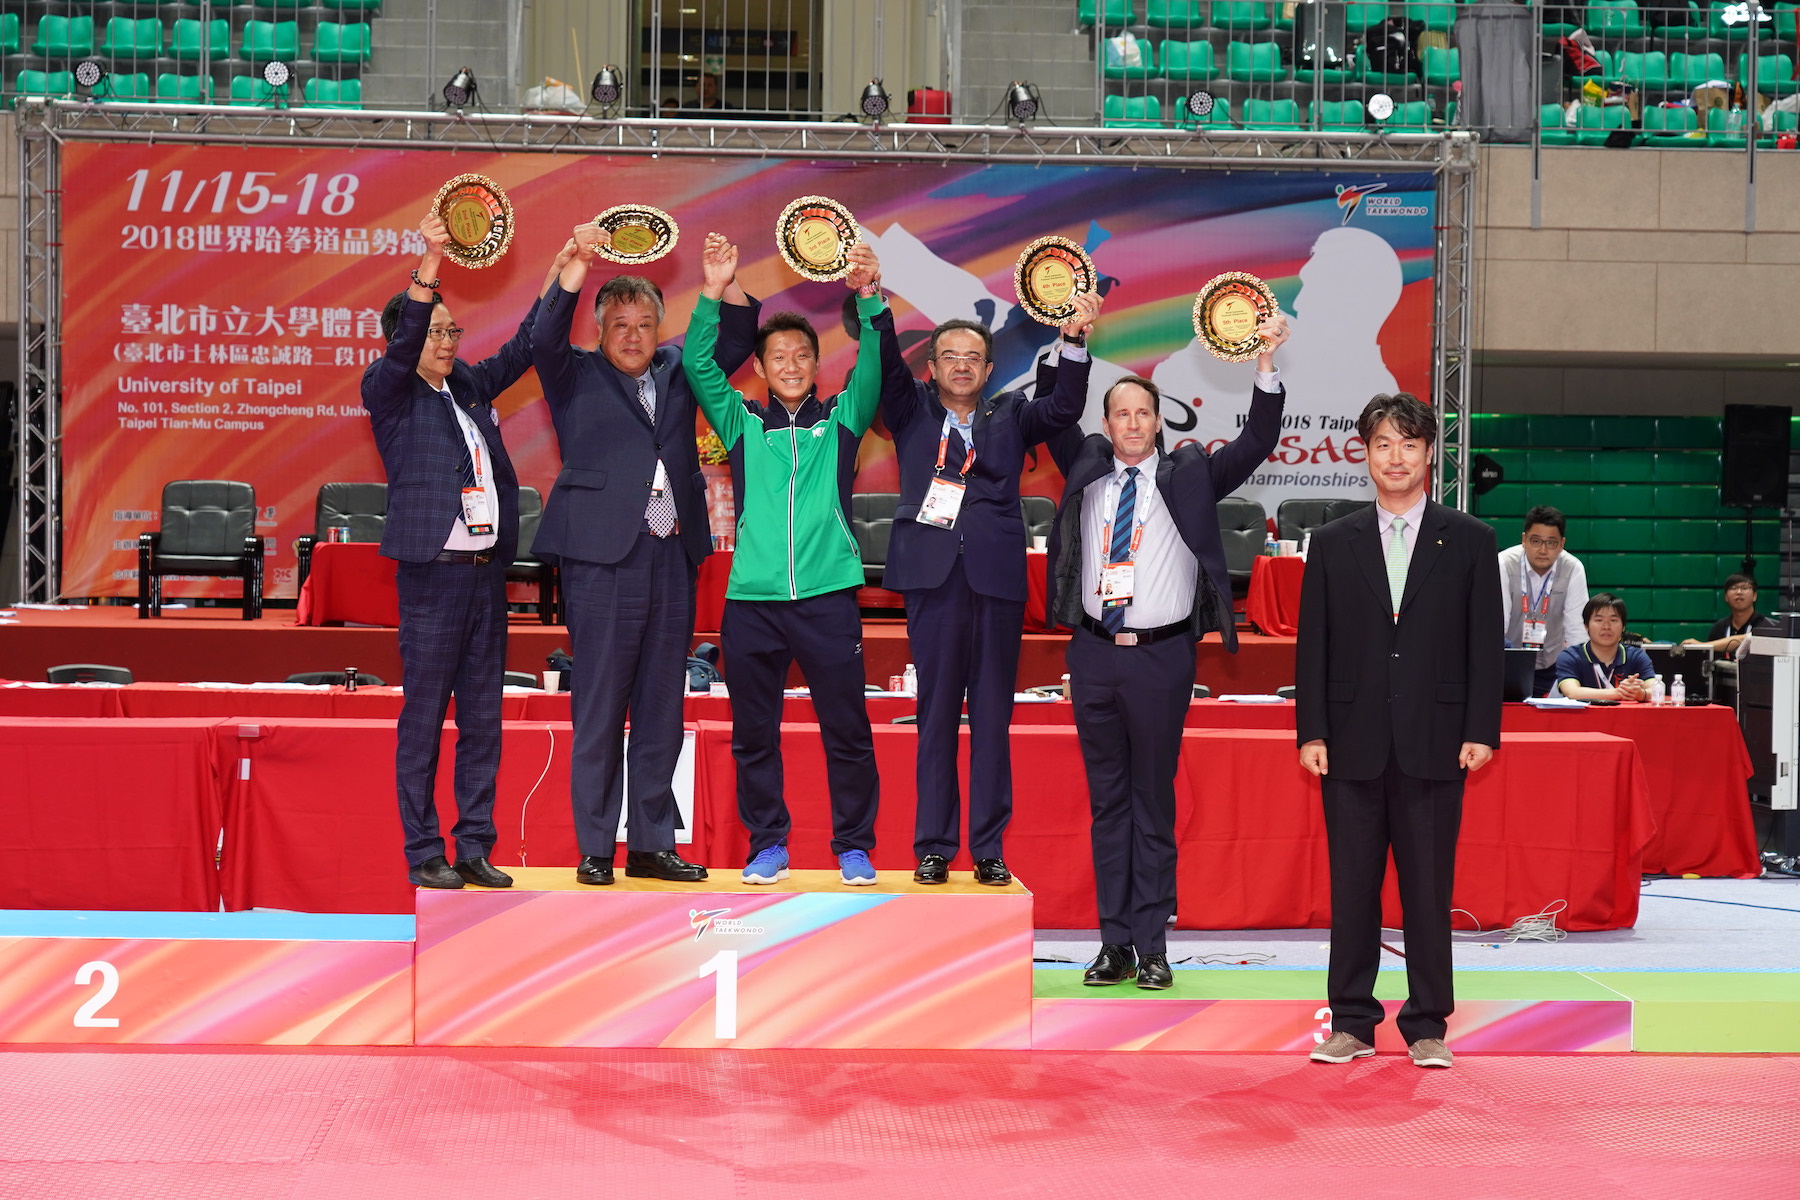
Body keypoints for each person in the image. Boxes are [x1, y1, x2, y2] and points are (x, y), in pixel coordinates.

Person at [1045, 315, 1289, 990]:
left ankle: (1152, 946)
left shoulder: (1190, 477)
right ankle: (1112, 945)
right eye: (1118, 413)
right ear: (1108, 422)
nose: (1129, 424)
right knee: (1107, 806)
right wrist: (1072, 343)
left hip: (1161, 660)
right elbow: (1057, 410)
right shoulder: (1085, 468)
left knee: (1150, 802)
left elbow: (1260, 438)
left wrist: (1265, 363)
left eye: (1141, 414)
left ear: (1158, 423)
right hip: (1093, 657)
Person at [532, 222, 760, 887]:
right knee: (600, 706)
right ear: (600, 331)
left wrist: (722, 285)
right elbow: (544, 333)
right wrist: (576, 264)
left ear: (660, 328)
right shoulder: (572, 372)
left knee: (662, 704)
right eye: (619, 324)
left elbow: (740, 338)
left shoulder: (680, 367)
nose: (633, 335)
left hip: (671, 554)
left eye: (644, 323)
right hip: (601, 558)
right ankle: (597, 847)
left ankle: (654, 842)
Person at [363, 214, 571, 890]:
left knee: (483, 718)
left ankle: (474, 845)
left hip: (486, 577)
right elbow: (401, 351)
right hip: (432, 577)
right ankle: (423, 850)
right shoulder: (390, 394)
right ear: (408, 338)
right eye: (436, 331)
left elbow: (524, 346)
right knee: (424, 719)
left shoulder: (469, 390)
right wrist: (429, 258)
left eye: (454, 331)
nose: (449, 341)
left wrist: (562, 273)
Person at [1296, 391, 1502, 1070]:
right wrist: (1312, 731)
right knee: (1352, 891)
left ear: (1429, 453)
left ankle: (1426, 1025)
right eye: (1383, 444)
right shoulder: (1331, 543)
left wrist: (1482, 729)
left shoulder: (1470, 540)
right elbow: (1313, 647)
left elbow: (1484, 645)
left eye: (1408, 445)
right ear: (1365, 453)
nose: (1396, 457)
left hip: (1436, 740)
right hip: (1350, 741)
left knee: (1427, 892)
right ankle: (1351, 1021)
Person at [684, 233, 888, 887]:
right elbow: (696, 363)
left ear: (815, 363)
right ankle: (769, 842)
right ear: (764, 368)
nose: (792, 363)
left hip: (827, 595)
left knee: (848, 730)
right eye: (779, 355)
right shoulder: (741, 422)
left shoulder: (842, 420)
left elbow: (877, 365)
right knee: (754, 733)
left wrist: (869, 295)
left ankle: (853, 845)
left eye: (802, 353)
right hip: (754, 600)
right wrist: (713, 292)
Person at [877, 296, 1101, 886]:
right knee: (936, 718)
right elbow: (885, 364)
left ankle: (988, 849)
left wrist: (1073, 341)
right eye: (947, 356)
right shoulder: (908, 411)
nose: (959, 366)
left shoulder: (1012, 414)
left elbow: (1066, 405)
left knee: (993, 720)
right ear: (932, 368)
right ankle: (933, 846)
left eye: (972, 358)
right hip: (932, 579)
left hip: (995, 582)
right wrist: (873, 302)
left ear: (988, 368)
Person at [1497, 505, 1589, 697]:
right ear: (1524, 540)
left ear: (1562, 544)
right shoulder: (1504, 563)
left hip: (1553, 666)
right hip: (1508, 664)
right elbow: (1498, 624)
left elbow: (1577, 632)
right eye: (1536, 541)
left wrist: (1575, 676)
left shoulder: (1573, 568)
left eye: (1551, 543)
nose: (1543, 550)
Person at [1555, 594, 1659, 702]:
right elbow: (1572, 692)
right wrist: (1620, 692)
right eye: (1599, 620)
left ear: (1623, 626)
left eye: (1613, 620)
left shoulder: (1636, 656)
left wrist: (1642, 694)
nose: (1606, 627)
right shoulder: (1571, 656)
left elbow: (1656, 689)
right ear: (1586, 626)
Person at [1685, 573, 1776, 657]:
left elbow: (1748, 638)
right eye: (1733, 588)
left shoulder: (1766, 625)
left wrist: (1703, 646)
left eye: (1744, 588)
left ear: (1754, 596)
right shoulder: (1719, 628)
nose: (1739, 592)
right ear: (1726, 597)